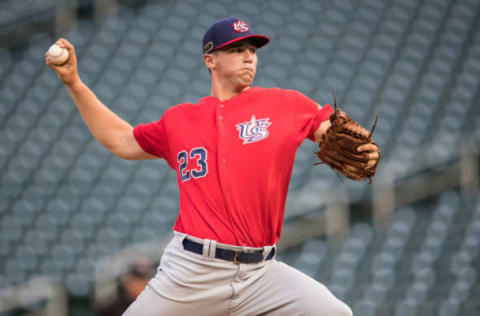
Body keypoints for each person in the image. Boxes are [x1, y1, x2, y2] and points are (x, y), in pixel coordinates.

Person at [47, 16, 379, 316]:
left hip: (261, 273)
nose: (249, 55)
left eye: (253, 49)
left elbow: (330, 127)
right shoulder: (179, 121)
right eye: (236, 49)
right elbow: (120, 140)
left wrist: (361, 143)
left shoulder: (284, 104)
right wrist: (75, 84)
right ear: (210, 60)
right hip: (192, 271)